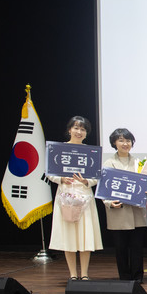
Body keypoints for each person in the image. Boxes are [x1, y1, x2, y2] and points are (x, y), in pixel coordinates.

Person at [48, 116, 103, 280]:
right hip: (65, 197)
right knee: (69, 236)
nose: (79, 132)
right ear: (69, 130)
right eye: (76, 128)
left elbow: (97, 176)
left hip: (85, 198)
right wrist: (60, 179)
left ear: (86, 133)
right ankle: (73, 274)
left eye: (83, 129)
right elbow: (49, 172)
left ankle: (84, 274)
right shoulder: (58, 149)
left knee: (86, 236)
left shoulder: (91, 152)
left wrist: (87, 181)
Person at [102, 128, 147, 283]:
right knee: (120, 247)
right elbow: (103, 189)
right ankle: (124, 277)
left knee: (137, 247)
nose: (125, 143)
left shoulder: (139, 163)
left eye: (128, 140)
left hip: (136, 212)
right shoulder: (108, 163)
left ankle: (138, 276)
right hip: (118, 211)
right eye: (121, 140)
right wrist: (109, 203)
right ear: (114, 143)